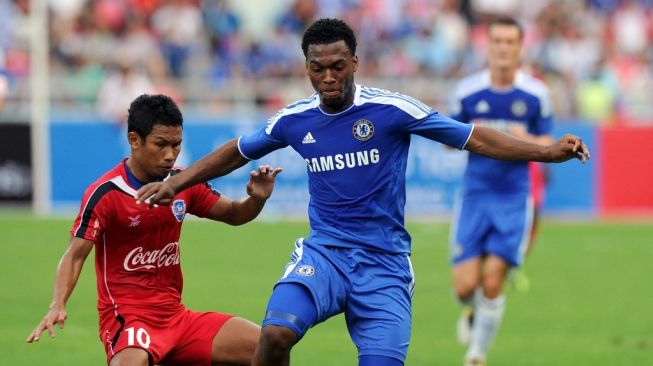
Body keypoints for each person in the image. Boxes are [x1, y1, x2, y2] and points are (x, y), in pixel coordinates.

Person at [135, 18, 590, 366]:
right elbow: (237, 151)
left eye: (337, 66)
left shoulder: (392, 109)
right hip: (325, 254)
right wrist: (176, 181)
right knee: (273, 336)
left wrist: (545, 152)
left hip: (384, 265)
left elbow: (473, 137)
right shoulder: (295, 118)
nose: (328, 77)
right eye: (318, 69)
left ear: (354, 63)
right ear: (307, 68)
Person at [26, 94, 283, 366]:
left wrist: (257, 198)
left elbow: (233, 214)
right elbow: (75, 254)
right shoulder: (105, 193)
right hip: (128, 318)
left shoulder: (182, 183)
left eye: (176, 145)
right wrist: (58, 304)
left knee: (268, 346)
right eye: (161, 144)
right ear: (134, 140)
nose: (170, 155)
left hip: (176, 317)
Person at [448, 17, 556, 365]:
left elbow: (546, 143)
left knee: (493, 280)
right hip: (474, 197)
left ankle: (477, 354)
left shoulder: (536, 94)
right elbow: (449, 141)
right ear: (488, 46)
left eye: (511, 42)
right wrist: (474, 136)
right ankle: (471, 312)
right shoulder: (466, 92)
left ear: (520, 47)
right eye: (498, 41)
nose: (504, 48)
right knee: (465, 287)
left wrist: (514, 136)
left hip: (513, 198)